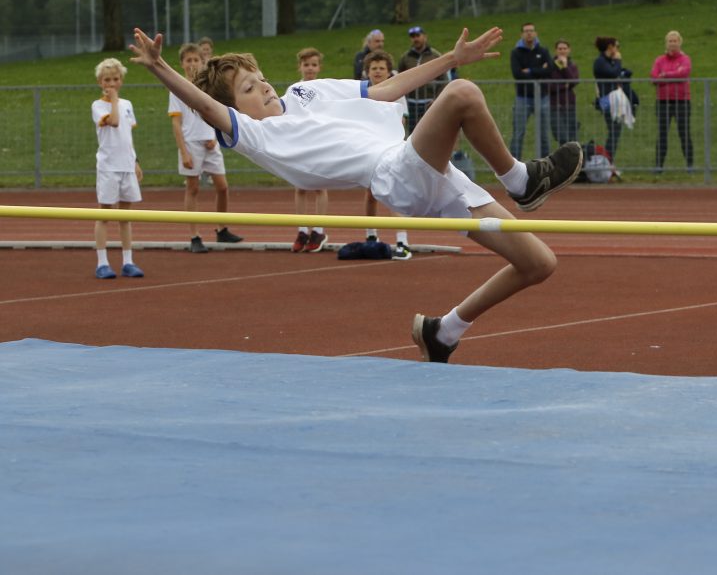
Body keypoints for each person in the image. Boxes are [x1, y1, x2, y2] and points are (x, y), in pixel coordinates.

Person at [130, 26, 584, 364]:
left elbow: (384, 90)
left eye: (260, 78)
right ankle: (522, 181)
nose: (263, 87)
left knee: (538, 262)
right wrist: (160, 66)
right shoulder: (255, 134)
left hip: (427, 168)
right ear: (234, 109)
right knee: (461, 96)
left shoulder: (306, 90)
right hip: (395, 173)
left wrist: (449, 58)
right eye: (248, 89)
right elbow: (207, 105)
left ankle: (443, 331)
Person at [169, 43, 244, 254]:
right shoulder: (177, 88)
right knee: (193, 188)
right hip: (191, 142)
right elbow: (176, 122)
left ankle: (222, 228)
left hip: (210, 142)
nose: (192, 64)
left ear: (202, 62)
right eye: (188, 60)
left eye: (196, 60)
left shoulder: (207, 85)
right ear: (182, 64)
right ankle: (194, 235)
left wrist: (213, 134)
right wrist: (183, 151)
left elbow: (214, 112)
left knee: (222, 186)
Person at [91, 58, 144, 279]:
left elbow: (126, 134)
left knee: (125, 215)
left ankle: (128, 261)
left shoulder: (127, 104)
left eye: (115, 79)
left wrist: (135, 161)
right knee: (105, 214)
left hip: (126, 165)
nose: (111, 83)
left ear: (121, 80)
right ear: (100, 82)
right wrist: (112, 100)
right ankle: (102, 262)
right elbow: (112, 122)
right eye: (107, 80)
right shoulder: (98, 106)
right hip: (108, 166)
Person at [363, 49, 412, 260]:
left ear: (388, 71)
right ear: (367, 72)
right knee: (370, 194)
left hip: (390, 148)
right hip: (368, 149)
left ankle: (402, 241)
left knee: (393, 194)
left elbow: (401, 121)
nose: (377, 72)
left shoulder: (396, 92)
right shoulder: (362, 93)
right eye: (374, 68)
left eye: (381, 68)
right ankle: (371, 235)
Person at [291, 47, 329, 252]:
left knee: (320, 186)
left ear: (319, 67)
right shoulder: (294, 89)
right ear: (300, 67)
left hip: (319, 142)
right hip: (300, 142)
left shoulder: (324, 89)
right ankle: (302, 230)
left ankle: (319, 231)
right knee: (300, 187)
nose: (310, 69)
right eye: (306, 65)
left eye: (314, 65)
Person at [509, 23, 555, 159]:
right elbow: (517, 73)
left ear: (536, 33)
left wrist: (529, 70)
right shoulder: (516, 53)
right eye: (526, 31)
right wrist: (540, 70)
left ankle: (545, 165)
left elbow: (550, 69)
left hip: (542, 97)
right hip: (523, 98)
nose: (529, 33)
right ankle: (513, 166)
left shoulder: (543, 51)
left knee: (544, 134)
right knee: (518, 133)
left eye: (531, 31)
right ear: (521, 34)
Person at [650, 30, 693, 172]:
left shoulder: (685, 59)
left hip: (682, 101)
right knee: (662, 134)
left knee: (684, 133)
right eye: (670, 41)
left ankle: (690, 165)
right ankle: (658, 166)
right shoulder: (659, 60)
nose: (672, 44)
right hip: (663, 102)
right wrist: (669, 78)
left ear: (679, 43)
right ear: (666, 43)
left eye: (675, 41)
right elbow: (654, 78)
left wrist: (665, 76)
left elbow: (683, 73)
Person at [398, 26, 452, 134]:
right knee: (412, 134)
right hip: (411, 103)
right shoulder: (405, 57)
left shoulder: (435, 55)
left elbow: (444, 79)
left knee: (430, 133)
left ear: (425, 37)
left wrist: (437, 99)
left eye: (418, 35)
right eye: (413, 37)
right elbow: (399, 78)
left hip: (429, 103)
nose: (415, 39)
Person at [593, 36, 636, 162]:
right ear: (610, 47)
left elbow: (620, 72)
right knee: (614, 131)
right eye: (617, 46)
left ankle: (607, 160)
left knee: (615, 132)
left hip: (615, 100)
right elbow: (613, 73)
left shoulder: (608, 61)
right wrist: (618, 61)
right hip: (608, 100)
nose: (618, 50)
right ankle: (606, 160)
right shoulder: (600, 61)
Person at [549, 39, 579, 146]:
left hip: (569, 104)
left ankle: (573, 161)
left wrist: (565, 67)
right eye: (560, 48)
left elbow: (574, 81)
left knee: (573, 136)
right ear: (556, 50)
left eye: (564, 48)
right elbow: (549, 85)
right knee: (562, 137)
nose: (562, 51)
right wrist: (564, 85)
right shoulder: (550, 65)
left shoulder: (572, 66)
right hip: (554, 105)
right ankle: (563, 160)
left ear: (569, 50)